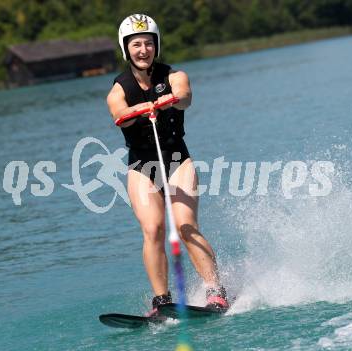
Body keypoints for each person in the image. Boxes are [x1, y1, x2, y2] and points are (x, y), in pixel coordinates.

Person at [106, 14, 229, 316]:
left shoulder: (174, 76)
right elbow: (118, 112)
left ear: (156, 45)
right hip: (141, 167)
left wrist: (168, 101)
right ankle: (161, 300)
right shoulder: (118, 89)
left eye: (148, 43)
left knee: (186, 226)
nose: (143, 50)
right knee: (153, 229)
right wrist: (138, 110)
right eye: (136, 44)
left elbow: (184, 96)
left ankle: (216, 291)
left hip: (177, 161)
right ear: (127, 49)